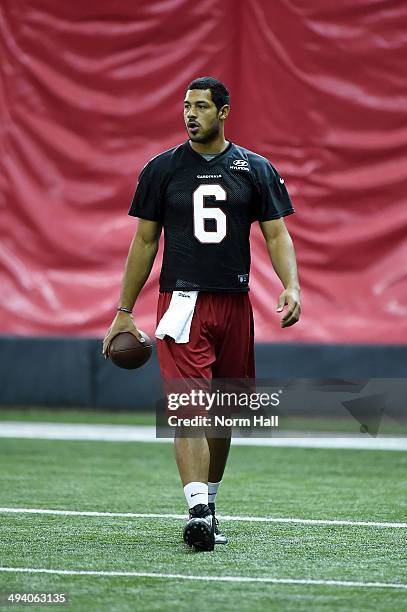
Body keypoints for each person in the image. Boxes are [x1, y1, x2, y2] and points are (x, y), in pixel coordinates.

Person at [102, 76, 301, 552]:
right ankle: (196, 511)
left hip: (235, 301)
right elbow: (145, 241)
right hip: (182, 302)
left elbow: (276, 235)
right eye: (186, 106)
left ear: (224, 111)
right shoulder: (161, 169)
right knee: (189, 410)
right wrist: (123, 311)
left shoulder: (254, 168)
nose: (191, 114)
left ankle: (209, 506)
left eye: (201, 106)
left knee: (227, 412)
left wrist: (290, 284)